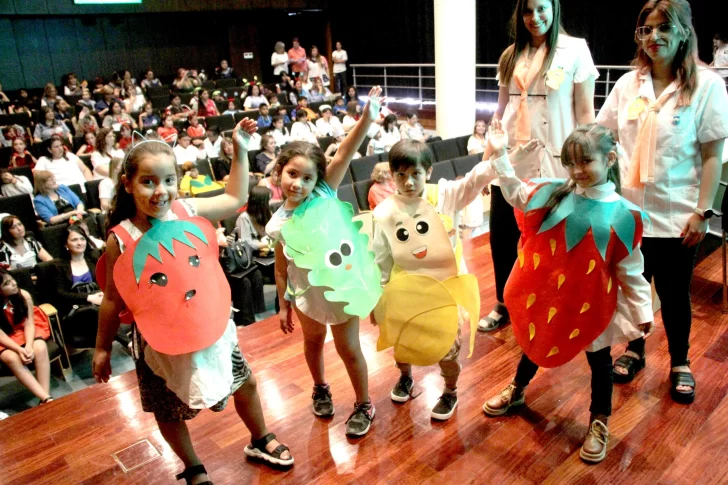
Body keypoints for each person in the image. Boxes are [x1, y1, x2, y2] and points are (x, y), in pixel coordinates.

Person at [93, 119, 293, 483]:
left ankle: (260, 438)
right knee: (168, 409)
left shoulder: (186, 210)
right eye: (148, 181)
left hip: (208, 324)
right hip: (157, 341)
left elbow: (234, 199)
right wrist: (103, 348)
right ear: (127, 183)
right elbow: (110, 298)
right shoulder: (120, 237)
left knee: (244, 383)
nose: (161, 191)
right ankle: (193, 467)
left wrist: (240, 149)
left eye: (169, 180)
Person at [481, 121, 652, 464]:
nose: (577, 170)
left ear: (609, 159)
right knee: (536, 342)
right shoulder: (555, 192)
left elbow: (631, 269)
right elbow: (515, 194)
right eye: (570, 162)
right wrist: (499, 154)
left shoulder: (624, 214)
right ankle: (517, 390)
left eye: (586, 161)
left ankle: (599, 421)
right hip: (549, 297)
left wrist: (642, 311)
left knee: (600, 362)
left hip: (592, 302)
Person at [596, 0, 728, 404]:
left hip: (677, 213)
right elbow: (602, 135)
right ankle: (634, 349)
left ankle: (679, 361)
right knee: (633, 287)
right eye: (646, 29)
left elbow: (712, 154)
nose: (654, 37)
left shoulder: (706, 86)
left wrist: (702, 211)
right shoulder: (627, 85)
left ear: (684, 32)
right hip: (629, 213)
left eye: (664, 28)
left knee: (673, 294)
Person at [266, 86, 382, 437]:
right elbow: (281, 267)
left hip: (339, 289)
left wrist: (366, 119)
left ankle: (364, 403)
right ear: (279, 172)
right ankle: (320, 388)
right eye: (292, 174)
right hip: (305, 294)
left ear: (318, 181)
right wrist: (283, 304)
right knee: (313, 341)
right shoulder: (277, 223)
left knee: (349, 348)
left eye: (307, 177)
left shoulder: (323, 193)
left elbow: (344, 152)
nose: (298, 184)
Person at [479, 0, 599, 333]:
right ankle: (504, 303)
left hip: (556, 165)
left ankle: (551, 305)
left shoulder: (575, 51)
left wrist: (589, 167)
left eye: (542, 8)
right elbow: (501, 112)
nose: (535, 17)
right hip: (511, 162)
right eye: (528, 11)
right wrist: (485, 165)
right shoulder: (510, 56)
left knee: (552, 242)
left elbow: (585, 113)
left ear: (554, 8)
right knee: (502, 238)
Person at [370, 122, 499, 422]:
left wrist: (497, 155)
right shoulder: (385, 212)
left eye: (415, 174)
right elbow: (381, 258)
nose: (409, 182)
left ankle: (450, 390)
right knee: (402, 340)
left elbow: (472, 182)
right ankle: (405, 377)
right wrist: (379, 299)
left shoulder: (443, 195)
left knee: (447, 346)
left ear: (427, 172)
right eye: (401, 175)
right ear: (392, 175)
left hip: (444, 290)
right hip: (405, 289)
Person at [0, 269, 53, 404]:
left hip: (23, 329)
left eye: (12, 279)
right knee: (11, 358)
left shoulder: (23, 295)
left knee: (39, 347)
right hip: (4, 337)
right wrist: (18, 349)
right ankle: (45, 398)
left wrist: (28, 346)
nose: (14, 283)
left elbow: (29, 323)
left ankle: (45, 399)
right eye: (7, 283)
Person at [53, 225, 102, 348]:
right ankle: (128, 342)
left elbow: (105, 281)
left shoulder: (94, 258)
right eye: (74, 240)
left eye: (82, 239)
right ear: (66, 244)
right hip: (75, 309)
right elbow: (61, 294)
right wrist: (89, 298)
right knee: (96, 311)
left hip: (98, 301)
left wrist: (103, 293)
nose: (80, 243)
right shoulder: (59, 266)